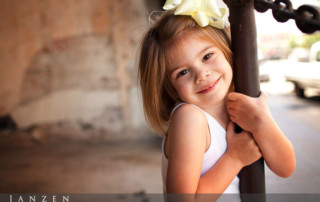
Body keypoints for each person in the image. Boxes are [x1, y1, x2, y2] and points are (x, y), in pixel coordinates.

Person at [138, 0, 295, 200]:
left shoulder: (243, 104)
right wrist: (235, 158)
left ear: (226, 51)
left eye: (207, 56)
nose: (201, 75)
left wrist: (262, 122)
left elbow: (285, 168)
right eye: (183, 72)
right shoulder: (190, 118)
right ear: (171, 89)